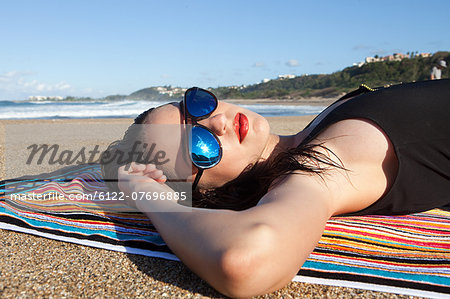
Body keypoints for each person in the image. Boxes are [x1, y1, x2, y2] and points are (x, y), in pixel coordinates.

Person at [101, 79, 450, 298]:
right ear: (210, 194)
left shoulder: (309, 136)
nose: (219, 122)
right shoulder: (322, 163)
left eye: (197, 106)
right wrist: (149, 194)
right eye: (200, 145)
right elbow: (246, 258)